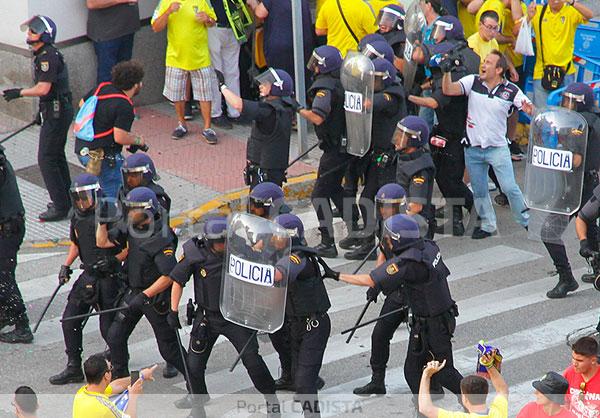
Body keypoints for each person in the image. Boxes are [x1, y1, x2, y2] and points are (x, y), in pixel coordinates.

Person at [319, 214, 463, 413]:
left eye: (387, 238)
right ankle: (423, 409)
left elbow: (371, 279)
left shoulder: (407, 263)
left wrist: (336, 275)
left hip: (434, 325)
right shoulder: (428, 247)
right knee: (412, 371)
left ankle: (473, 406)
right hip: (429, 319)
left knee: (445, 372)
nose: (384, 241)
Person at [96, 187, 187, 379]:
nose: (129, 213)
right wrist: (102, 220)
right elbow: (102, 242)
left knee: (170, 350)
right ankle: (121, 380)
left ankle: (195, 385)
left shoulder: (161, 237)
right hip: (134, 291)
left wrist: (145, 295)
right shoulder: (131, 225)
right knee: (115, 337)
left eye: (133, 209)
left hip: (155, 298)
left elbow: (169, 275)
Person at [442, 50, 533, 238]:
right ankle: (488, 225)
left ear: (499, 69)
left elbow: (529, 107)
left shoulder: (511, 90)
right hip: (473, 149)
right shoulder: (473, 81)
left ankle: (527, 221)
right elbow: (449, 90)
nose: (483, 64)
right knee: (480, 190)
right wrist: (446, 72)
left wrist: (530, 110)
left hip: (498, 149)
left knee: (509, 187)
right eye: (484, 61)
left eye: (488, 62)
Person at [49, 174, 125, 385]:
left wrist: (114, 261)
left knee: (108, 327)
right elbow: (76, 243)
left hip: (110, 277)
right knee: (70, 320)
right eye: (78, 197)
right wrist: (66, 265)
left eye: (85, 197)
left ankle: (117, 366)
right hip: (89, 274)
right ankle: (73, 366)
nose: (82, 201)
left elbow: (127, 248)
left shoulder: (112, 213)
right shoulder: (77, 215)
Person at [409, 15, 478, 236]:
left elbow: (435, 101)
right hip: (449, 124)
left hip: (457, 128)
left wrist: (409, 97)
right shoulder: (464, 55)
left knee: (449, 177)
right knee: (443, 172)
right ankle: (456, 219)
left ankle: (476, 209)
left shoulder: (455, 62)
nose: (435, 35)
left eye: (439, 30)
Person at [2, 15, 73, 222]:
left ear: (44, 35)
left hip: (57, 111)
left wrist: (19, 92)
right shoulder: (43, 54)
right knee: (56, 156)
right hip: (54, 110)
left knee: (46, 158)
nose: (28, 35)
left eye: (33, 32)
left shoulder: (47, 57)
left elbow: (44, 88)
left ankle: (61, 206)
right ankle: (66, 199)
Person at [540, 83, 600, 299]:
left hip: (576, 186)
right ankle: (598, 269)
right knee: (589, 224)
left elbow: (575, 161)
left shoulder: (578, 125)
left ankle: (566, 278)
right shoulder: (595, 119)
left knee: (549, 231)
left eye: (569, 100)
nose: (565, 104)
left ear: (578, 102)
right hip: (593, 185)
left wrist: (550, 157)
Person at [345, 58, 407, 261]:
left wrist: (358, 98)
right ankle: (368, 242)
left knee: (386, 205)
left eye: (375, 79)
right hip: (377, 157)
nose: (372, 82)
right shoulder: (380, 90)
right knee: (366, 200)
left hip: (390, 159)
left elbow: (373, 103)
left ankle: (388, 244)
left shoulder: (393, 94)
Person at [353, 183, 409, 395]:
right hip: (395, 291)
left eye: (388, 206)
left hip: (414, 289)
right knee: (379, 335)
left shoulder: (411, 226)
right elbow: (383, 253)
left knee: (422, 339)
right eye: (381, 206)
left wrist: (383, 279)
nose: (383, 210)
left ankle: (432, 380)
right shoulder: (384, 225)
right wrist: (375, 281)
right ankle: (378, 380)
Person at [273, 214, 331, 417]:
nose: (273, 237)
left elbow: (280, 273)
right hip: (296, 324)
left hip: (313, 326)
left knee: (305, 384)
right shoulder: (281, 253)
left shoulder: (297, 257)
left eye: (277, 234)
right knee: (300, 381)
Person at [296, 45, 351, 258]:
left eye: (317, 63)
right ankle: (356, 229)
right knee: (335, 188)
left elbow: (318, 116)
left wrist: (298, 109)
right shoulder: (341, 80)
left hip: (335, 148)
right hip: (343, 145)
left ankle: (328, 241)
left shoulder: (324, 87)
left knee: (319, 195)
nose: (314, 66)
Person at [75, 60, 146, 199]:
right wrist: (138, 140)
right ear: (135, 84)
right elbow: (119, 137)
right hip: (104, 155)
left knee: (98, 189)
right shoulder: (124, 105)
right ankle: (108, 219)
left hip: (83, 149)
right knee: (113, 194)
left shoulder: (102, 87)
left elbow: (82, 104)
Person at [151, 0, 219, 144]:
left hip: (200, 57)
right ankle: (182, 124)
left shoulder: (202, 1)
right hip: (176, 57)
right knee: (177, 94)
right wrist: (168, 11)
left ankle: (207, 128)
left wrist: (207, 19)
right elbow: (156, 27)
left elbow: (213, 21)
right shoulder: (166, 2)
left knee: (205, 93)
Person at [217, 68, 295, 188]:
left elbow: (238, 105)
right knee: (271, 204)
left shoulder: (268, 111)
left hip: (266, 173)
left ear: (277, 88)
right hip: (272, 171)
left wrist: (222, 87)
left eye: (266, 84)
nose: (261, 86)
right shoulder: (284, 107)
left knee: (260, 205)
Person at [511, 0, 593, 108]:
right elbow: (515, 31)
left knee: (565, 116)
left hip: (566, 73)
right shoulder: (538, 11)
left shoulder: (571, 12)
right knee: (542, 115)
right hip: (542, 72)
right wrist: (528, 18)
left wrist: (572, 2)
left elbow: (589, 15)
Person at [0, 146, 32, 344]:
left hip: (8, 230)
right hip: (10, 226)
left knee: (4, 278)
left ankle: (22, 325)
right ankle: (5, 314)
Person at [418, 352, 508, 418]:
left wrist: (426, 374)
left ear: (464, 398)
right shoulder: (498, 413)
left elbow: (425, 408)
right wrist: (489, 365)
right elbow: (502, 389)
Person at [249, 0, 314, 86]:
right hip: (303, 42)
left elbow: (260, 13)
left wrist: (253, 3)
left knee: (280, 81)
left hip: (280, 46)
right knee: (302, 79)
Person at [72, 353, 157, 418]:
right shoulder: (104, 408)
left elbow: (116, 385)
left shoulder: (82, 393)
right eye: (110, 368)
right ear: (106, 375)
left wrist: (140, 375)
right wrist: (133, 396)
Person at [393, 116, 437, 239]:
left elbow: (416, 206)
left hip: (415, 227)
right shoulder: (405, 156)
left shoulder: (419, 170)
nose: (396, 139)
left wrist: (394, 223)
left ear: (413, 141)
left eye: (401, 136)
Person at [206, 0, 243, 129]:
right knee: (216, 72)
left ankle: (234, 111)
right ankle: (216, 112)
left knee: (231, 71)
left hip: (232, 26)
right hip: (214, 27)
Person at [86, 0, 140, 84]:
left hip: (128, 27)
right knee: (107, 80)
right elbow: (92, 3)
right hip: (107, 33)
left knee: (126, 78)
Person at [563, 337, 600, 417]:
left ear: (593, 360)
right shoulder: (569, 373)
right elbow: (565, 401)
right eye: (573, 358)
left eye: (579, 361)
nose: (574, 364)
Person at [375, 4, 406, 71]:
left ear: (399, 23)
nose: (382, 24)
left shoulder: (400, 43)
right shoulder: (377, 36)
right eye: (382, 18)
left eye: (388, 20)